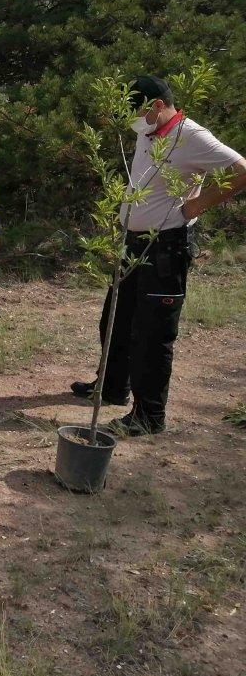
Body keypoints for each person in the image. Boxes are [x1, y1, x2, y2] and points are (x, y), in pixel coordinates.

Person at [71, 75, 246, 436]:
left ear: (156, 107)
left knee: (152, 333)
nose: (132, 121)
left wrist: (194, 206)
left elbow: (240, 170)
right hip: (132, 245)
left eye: (135, 112)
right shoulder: (148, 132)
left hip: (165, 246)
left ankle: (149, 415)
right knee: (116, 319)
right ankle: (113, 387)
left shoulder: (191, 136)